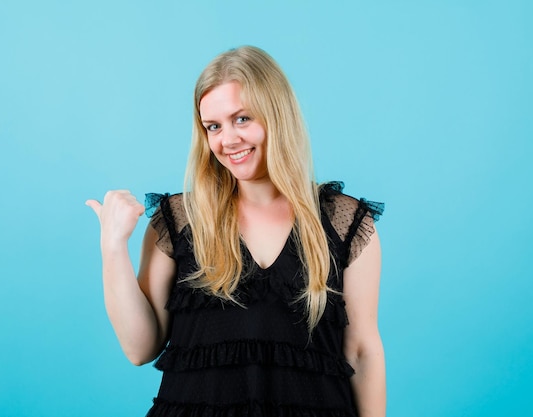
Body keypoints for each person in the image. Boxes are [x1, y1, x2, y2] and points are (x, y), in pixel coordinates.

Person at [86, 45, 386, 417]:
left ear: (277, 115)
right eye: (213, 126)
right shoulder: (179, 219)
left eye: (242, 119)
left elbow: (361, 349)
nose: (227, 140)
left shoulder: (346, 222)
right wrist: (112, 247)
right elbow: (139, 349)